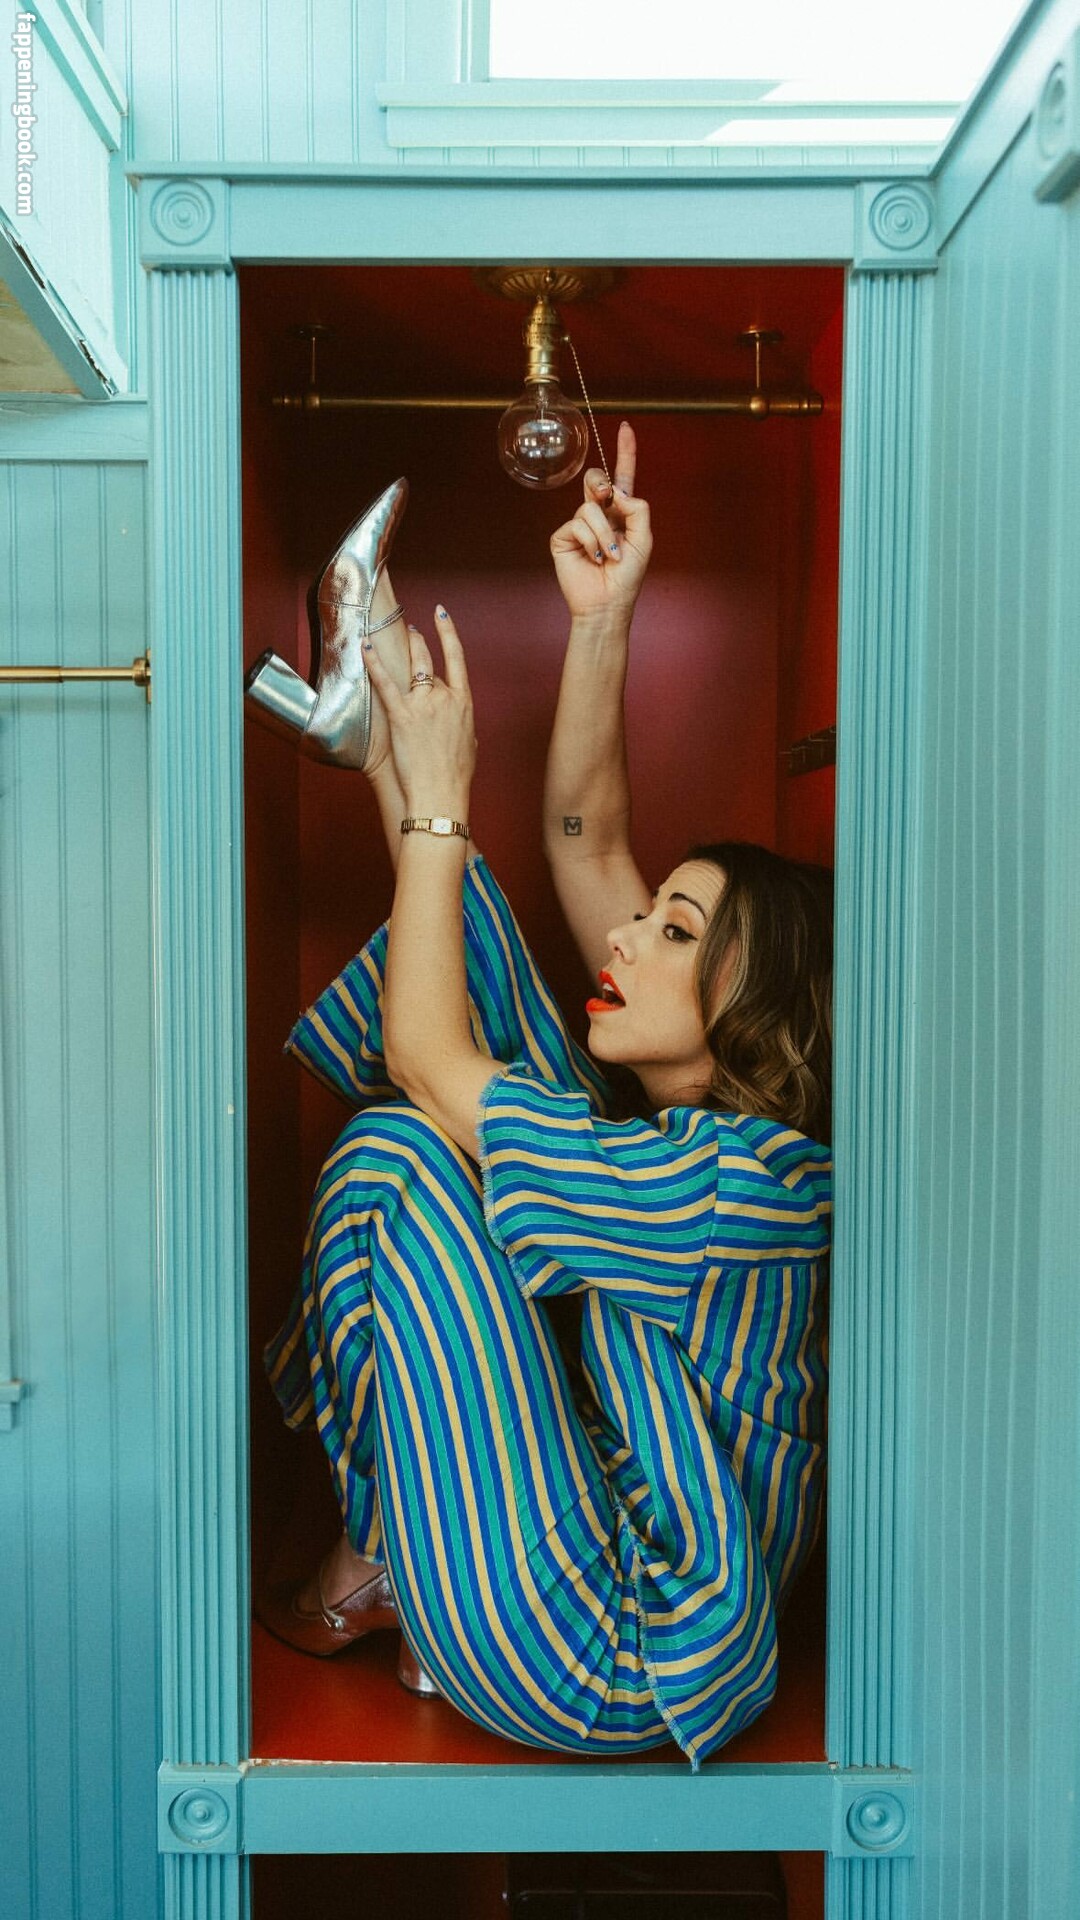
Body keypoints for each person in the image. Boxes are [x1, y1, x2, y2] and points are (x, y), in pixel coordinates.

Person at [257, 426, 833, 1770]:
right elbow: (588, 836)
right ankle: (375, 711)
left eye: (677, 932)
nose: (628, 934)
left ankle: (378, 1553)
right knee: (519, 1042)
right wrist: (605, 613)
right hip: (577, 1523)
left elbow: (427, 1065)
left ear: (762, 1002)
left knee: (404, 1151)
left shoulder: (739, 1185)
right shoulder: (702, 1126)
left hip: (618, 1646)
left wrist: (440, 808)